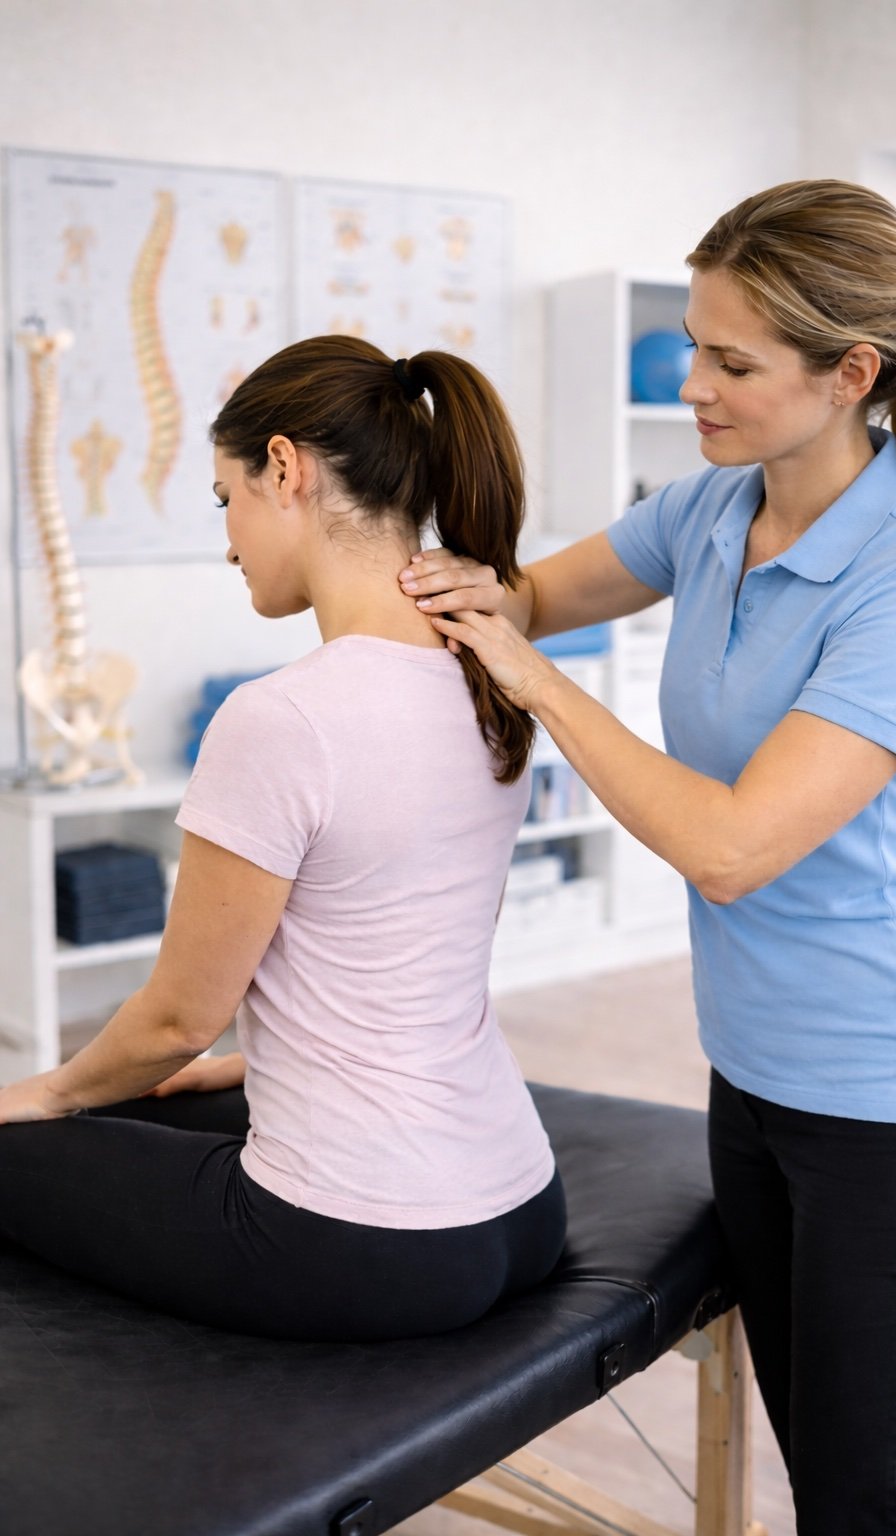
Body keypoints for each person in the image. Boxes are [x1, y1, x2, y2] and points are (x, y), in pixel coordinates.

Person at [397, 180, 896, 1535]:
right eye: (692, 343)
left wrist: (538, 681)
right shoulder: (711, 511)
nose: (693, 385)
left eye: (731, 361)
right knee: (817, 1474)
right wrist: (401, 563)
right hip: (753, 1079)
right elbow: (529, 596)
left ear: (851, 373)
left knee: (864, 1499)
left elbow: (734, 850)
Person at [0, 336, 566, 1342]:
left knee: (31, 1131)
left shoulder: (282, 719)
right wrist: (256, 1061)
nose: (227, 541)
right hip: (520, 1205)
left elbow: (177, 1019)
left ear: (285, 469)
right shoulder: (494, 684)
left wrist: (41, 1090)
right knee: (151, 1099)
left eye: (226, 499)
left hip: (359, 1239)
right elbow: (379, 954)